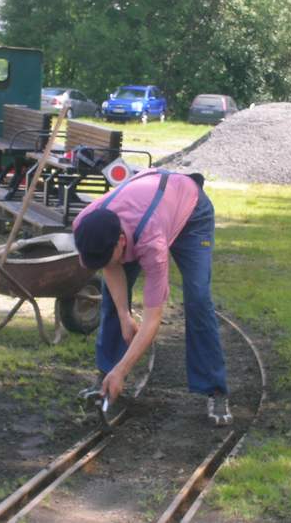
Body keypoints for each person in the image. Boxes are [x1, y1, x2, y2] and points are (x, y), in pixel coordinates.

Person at [72, 168, 232, 426]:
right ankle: (106, 376)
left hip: (191, 213)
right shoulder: (85, 223)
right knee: (112, 298)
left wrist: (124, 369)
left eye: (106, 258)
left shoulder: (151, 243)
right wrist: (124, 316)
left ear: (121, 242)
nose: (103, 264)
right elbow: (110, 267)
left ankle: (215, 388)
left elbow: (152, 320)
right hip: (151, 205)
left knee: (198, 299)